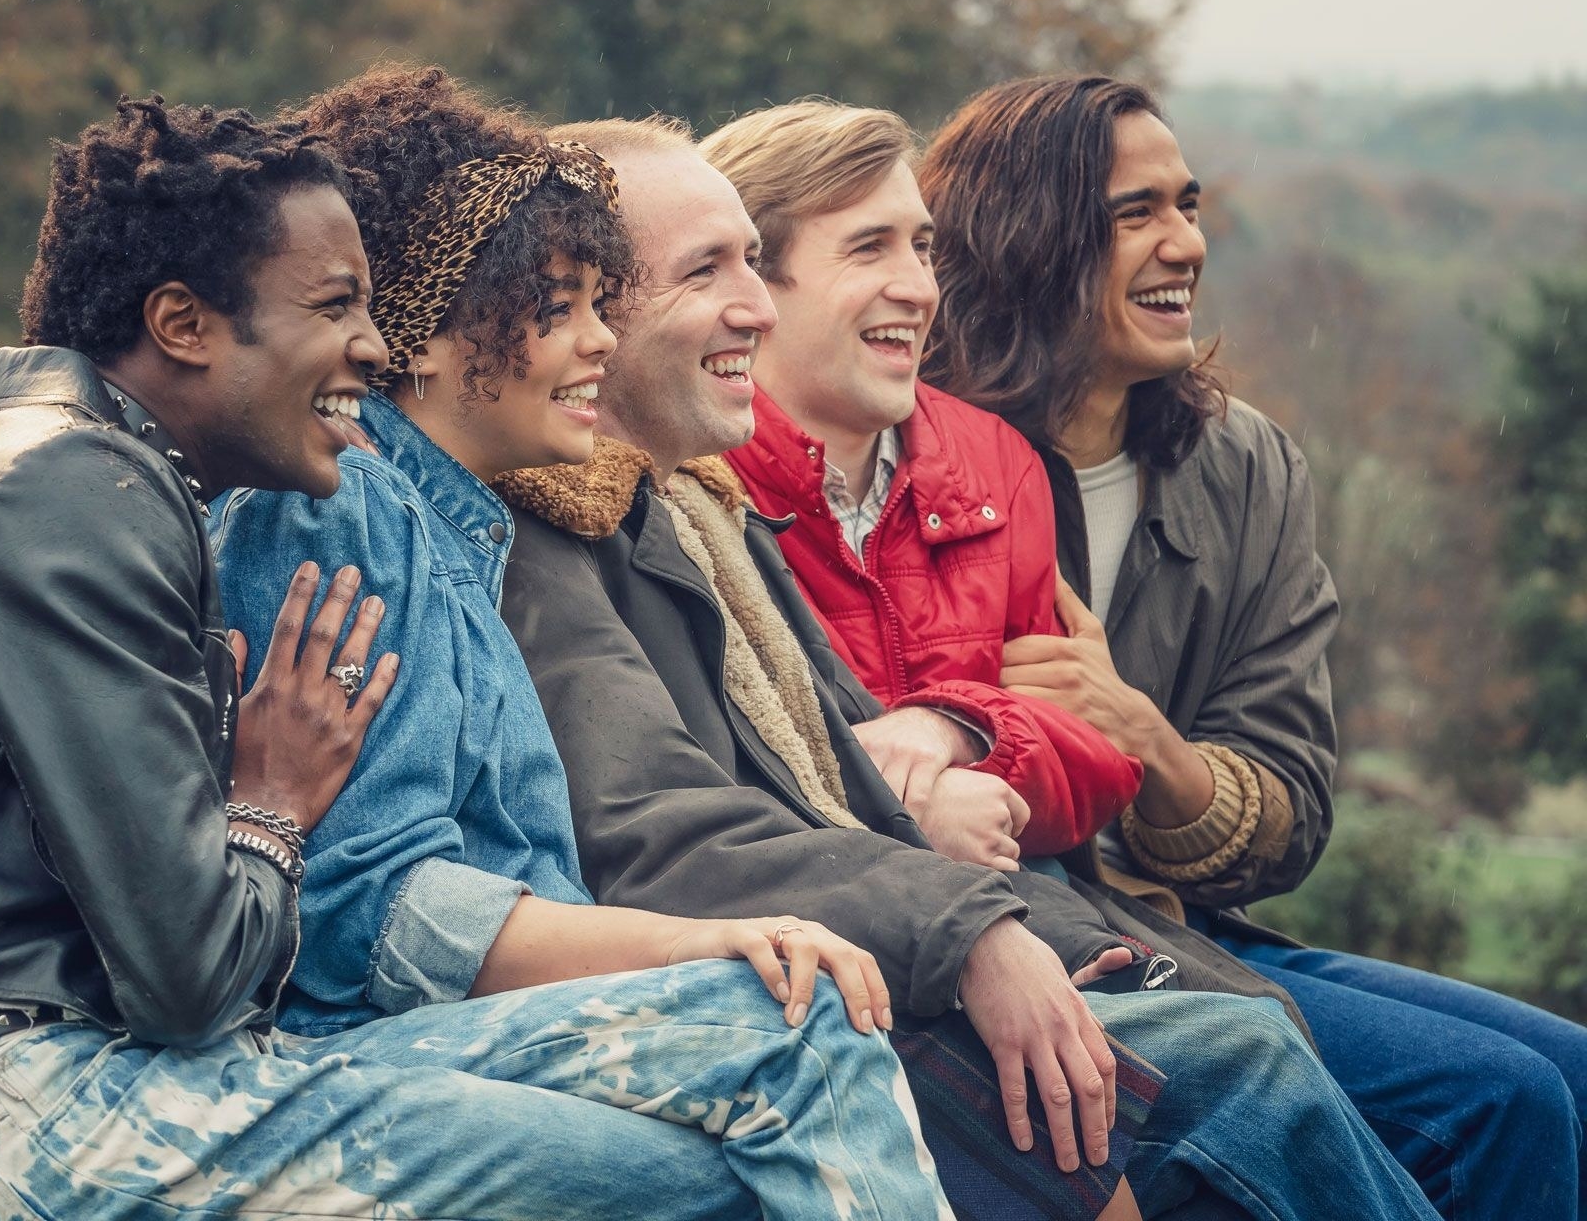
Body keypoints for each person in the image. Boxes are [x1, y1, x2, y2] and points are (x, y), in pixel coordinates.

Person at [496, 111, 1441, 1221]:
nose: (752, 304)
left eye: (924, 247)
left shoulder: (759, 495)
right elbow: (674, 832)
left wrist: (971, 751)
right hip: (821, 974)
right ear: (580, 316)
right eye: (716, 267)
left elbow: (1066, 755)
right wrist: (980, 921)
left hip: (980, 914)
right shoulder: (625, 511)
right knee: (1262, 1072)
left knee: (1439, 1071)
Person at [209, 65, 955, 1221]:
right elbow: (370, 907)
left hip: (476, 1036)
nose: (601, 342)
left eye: (600, 303)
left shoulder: (462, 529)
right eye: (555, 309)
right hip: (352, 1058)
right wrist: (698, 943)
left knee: (759, 1110)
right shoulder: (341, 506)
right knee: (798, 1016)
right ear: (433, 333)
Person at [920, 73, 1587, 1221]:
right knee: (1500, 1097)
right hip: (1034, 948)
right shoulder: (927, 452)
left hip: (1192, 925)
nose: (1187, 241)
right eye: (1137, 214)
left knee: (1569, 1068)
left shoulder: (1245, 466)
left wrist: (1147, 741)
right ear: (1027, 240)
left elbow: (1289, 810)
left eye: (1189, 205)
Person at [703, 98, 1139, 869]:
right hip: (810, 940)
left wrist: (952, 727)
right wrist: (907, 811)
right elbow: (682, 786)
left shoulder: (994, 462)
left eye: (923, 249)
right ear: (753, 284)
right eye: (870, 248)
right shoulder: (690, 479)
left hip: (1033, 910)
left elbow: (1097, 761)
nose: (918, 289)